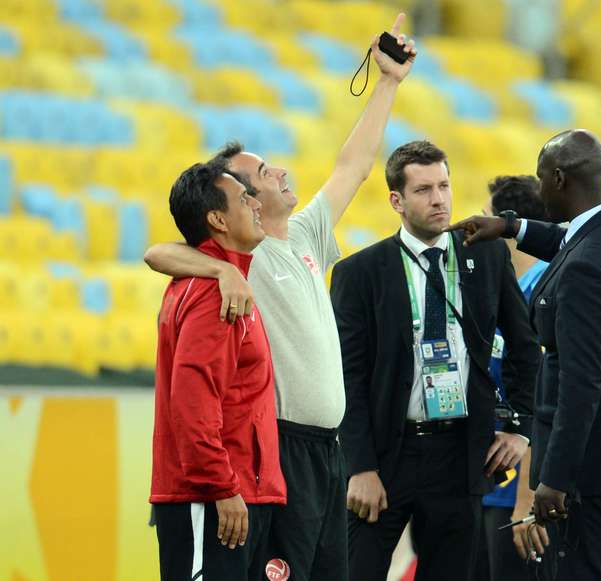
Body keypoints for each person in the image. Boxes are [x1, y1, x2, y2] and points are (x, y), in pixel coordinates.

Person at [143, 15, 416, 581]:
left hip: (329, 451)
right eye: (259, 175)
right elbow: (159, 252)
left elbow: (354, 166)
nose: (277, 173)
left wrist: (387, 83)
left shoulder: (305, 234)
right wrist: (224, 275)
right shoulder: (247, 251)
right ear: (240, 203)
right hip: (280, 446)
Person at [447, 129, 601, 581]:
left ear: (557, 179)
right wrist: (510, 227)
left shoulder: (585, 271)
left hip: (593, 471)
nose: (538, 187)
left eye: (540, 178)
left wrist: (555, 480)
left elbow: (580, 384)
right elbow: (572, 241)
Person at [330, 140, 541, 581]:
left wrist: (519, 428)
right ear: (397, 200)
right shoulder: (359, 273)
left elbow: (525, 346)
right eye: (424, 189)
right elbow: (347, 376)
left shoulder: (485, 255)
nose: (439, 198)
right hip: (388, 454)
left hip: (462, 453)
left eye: (444, 185)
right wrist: (360, 466)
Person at [151, 159, 285, 581]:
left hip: (236, 493)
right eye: (245, 198)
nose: (256, 203)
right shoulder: (215, 294)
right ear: (217, 219)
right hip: (213, 499)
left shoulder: (225, 281)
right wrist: (221, 487)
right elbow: (193, 401)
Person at [476, 175, 551, 580]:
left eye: (486, 216)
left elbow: (547, 403)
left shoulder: (546, 288)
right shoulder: (509, 288)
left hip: (520, 494)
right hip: (494, 484)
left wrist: (527, 500)